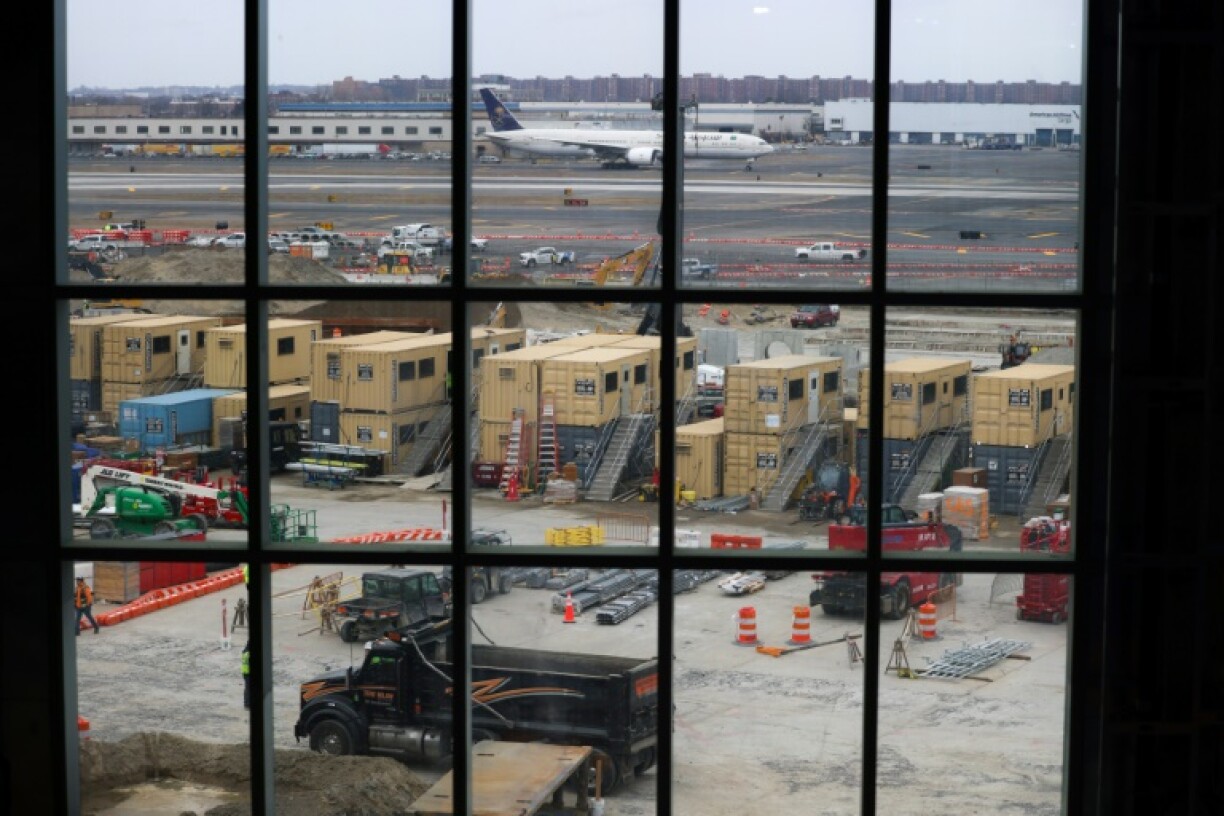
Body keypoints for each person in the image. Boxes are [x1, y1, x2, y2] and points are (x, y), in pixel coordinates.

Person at [241, 641, 251, 709]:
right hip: (248, 672)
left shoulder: (245, 651)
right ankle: (247, 703)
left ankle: (246, 703)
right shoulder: (248, 653)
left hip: (245, 672)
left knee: (247, 688)